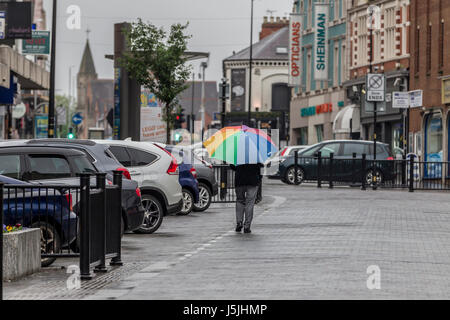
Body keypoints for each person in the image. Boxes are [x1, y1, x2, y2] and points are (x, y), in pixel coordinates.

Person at [230, 163, 264, 234]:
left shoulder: (237, 153)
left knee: (239, 201)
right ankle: (247, 226)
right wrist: (259, 178)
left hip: (239, 180)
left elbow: (232, 166)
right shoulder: (256, 154)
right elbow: (261, 167)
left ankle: (239, 222)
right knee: (250, 203)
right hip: (253, 180)